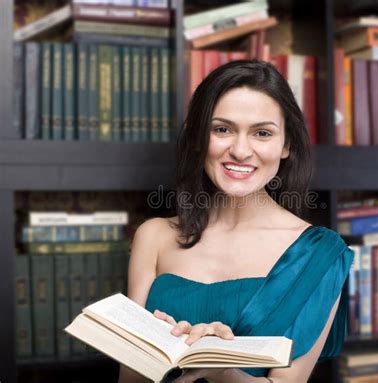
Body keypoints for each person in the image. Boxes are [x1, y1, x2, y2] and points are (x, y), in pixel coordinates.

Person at [118, 60, 354, 383]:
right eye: (222, 129)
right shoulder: (153, 237)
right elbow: (130, 380)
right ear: (200, 139)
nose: (240, 150)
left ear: (286, 145)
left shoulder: (321, 254)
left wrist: (220, 369)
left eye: (262, 133)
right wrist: (162, 350)